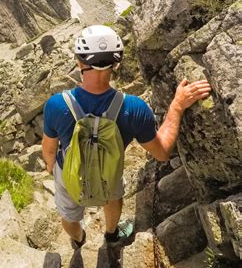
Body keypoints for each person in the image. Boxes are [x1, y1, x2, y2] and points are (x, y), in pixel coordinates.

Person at [42, 25, 211, 250]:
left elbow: (50, 150)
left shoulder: (56, 104)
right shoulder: (133, 108)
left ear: (80, 63)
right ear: (116, 63)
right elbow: (162, 153)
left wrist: (52, 167)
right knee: (113, 196)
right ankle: (111, 236)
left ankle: (78, 238)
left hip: (68, 172)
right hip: (109, 172)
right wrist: (177, 107)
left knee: (69, 214)